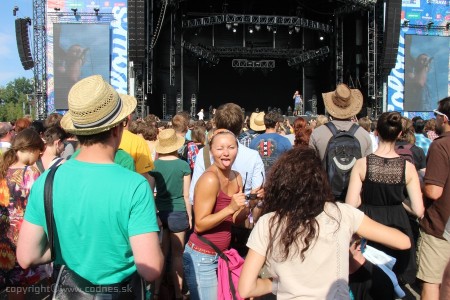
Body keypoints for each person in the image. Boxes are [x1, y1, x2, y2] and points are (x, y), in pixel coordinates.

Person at [16, 75, 163, 297]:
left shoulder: (47, 180)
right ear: (116, 129)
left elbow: (27, 256)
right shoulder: (135, 186)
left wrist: (65, 247)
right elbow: (150, 268)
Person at [238, 146, 412, 299]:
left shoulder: (268, 223)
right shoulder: (342, 214)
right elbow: (403, 242)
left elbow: (246, 289)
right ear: (320, 180)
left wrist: (278, 284)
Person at [346, 111, 424, 285]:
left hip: (368, 223)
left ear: (376, 132)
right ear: (399, 134)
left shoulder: (362, 164)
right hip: (398, 225)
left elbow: (351, 204)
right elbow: (419, 210)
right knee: (394, 281)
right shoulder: (408, 168)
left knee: (369, 280)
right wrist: (400, 203)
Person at [183, 129, 247, 300]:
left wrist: (251, 204)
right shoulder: (209, 179)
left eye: (231, 147)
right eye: (220, 149)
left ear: (237, 150)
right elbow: (200, 225)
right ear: (211, 151)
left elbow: (234, 220)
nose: (226, 153)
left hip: (222, 255)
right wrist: (230, 208)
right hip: (202, 257)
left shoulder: (237, 177)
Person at [0, 128, 47, 297]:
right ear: (32, 149)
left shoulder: (3, 169)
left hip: (4, 234)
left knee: (13, 284)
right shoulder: (31, 174)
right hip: (24, 233)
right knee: (27, 283)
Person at [149, 129, 191, 300]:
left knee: (161, 254)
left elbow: (150, 193)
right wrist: (190, 216)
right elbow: (187, 196)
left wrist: (155, 216)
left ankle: (155, 293)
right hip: (179, 212)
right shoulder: (183, 165)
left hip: (160, 213)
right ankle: (178, 293)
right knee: (177, 256)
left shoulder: (155, 165)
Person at [417, 98, 450, 300]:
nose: (435, 120)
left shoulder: (441, 146)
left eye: (436, 116)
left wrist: (418, 182)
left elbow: (434, 192)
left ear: (444, 119)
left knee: (432, 282)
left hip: (440, 227)